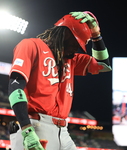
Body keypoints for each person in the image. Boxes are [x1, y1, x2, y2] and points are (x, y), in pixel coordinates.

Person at [8, 11, 112, 150]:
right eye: (76, 41)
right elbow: (15, 88)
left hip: (63, 130)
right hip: (35, 126)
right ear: (65, 32)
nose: (77, 48)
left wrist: (96, 35)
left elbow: (104, 65)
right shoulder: (31, 45)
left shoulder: (71, 59)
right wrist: (27, 129)